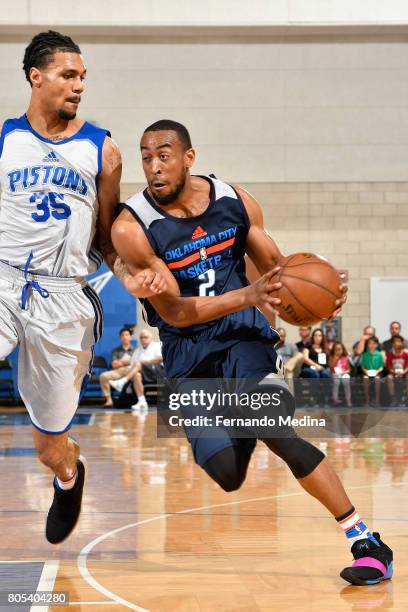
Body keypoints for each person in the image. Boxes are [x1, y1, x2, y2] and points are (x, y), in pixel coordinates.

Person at [111, 119, 392, 586]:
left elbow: (278, 273)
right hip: (186, 350)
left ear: (188, 157)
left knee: (277, 432)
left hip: (244, 338)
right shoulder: (133, 226)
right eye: (146, 157)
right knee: (227, 473)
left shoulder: (234, 201)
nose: (154, 167)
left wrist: (315, 300)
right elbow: (177, 313)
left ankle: (366, 542)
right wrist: (250, 294)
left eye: (164, 155)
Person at [0, 31, 164, 545]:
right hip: (3, 280)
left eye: (83, 77)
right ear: (36, 76)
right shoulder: (4, 139)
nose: (79, 85)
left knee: (51, 443)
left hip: (64, 295)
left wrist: (130, 273)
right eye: (69, 75)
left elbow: (107, 234)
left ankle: (68, 477)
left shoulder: (103, 149)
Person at [109, 328, 163, 412]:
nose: (143, 339)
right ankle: (142, 402)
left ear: (150, 338)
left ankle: (122, 381)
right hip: (144, 375)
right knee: (136, 375)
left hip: (158, 372)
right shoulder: (138, 351)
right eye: (141, 337)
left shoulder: (157, 345)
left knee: (139, 363)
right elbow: (132, 366)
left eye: (145, 337)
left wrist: (144, 362)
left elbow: (160, 359)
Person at [99, 327, 134, 406]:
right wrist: (128, 361)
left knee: (137, 373)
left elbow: (135, 363)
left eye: (127, 335)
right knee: (103, 376)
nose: (125, 337)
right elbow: (114, 365)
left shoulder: (135, 350)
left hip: (131, 371)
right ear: (120, 338)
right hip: (118, 371)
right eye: (122, 335)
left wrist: (121, 362)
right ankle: (109, 400)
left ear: (130, 337)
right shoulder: (115, 351)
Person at [361, 336, 384, 407]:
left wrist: (377, 371)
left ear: (377, 344)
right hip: (367, 373)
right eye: (370, 343)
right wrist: (366, 372)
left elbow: (381, 366)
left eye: (373, 343)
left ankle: (377, 400)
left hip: (377, 373)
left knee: (377, 379)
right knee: (365, 378)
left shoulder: (379, 354)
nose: (371, 345)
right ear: (367, 344)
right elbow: (363, 366)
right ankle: (367, 400)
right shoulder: (364, 355)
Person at [386, 335, 408, 406]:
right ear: (392, 344)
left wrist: (403, 372)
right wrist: (395, 372)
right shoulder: (390, 355)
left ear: (402, 343)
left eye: (398, 341)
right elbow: (389, 367)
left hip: (404, 373)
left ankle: (405, 398)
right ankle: (393, 399)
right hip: (394, 373)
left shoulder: (406, 354)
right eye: (394, 342)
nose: (396, 343)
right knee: (389, 377)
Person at [329, 342, 352, 408]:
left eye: (340, 349)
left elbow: (348, 369)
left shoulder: (345, 358)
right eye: (336, 349)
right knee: (336, 382)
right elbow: (331, 367)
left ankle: (348, 399)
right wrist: (335, 359)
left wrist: (345, 372)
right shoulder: (331, 357)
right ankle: (335, 399)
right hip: (335, 373)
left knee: (346, 380)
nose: (338, 351)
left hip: (343, 373)